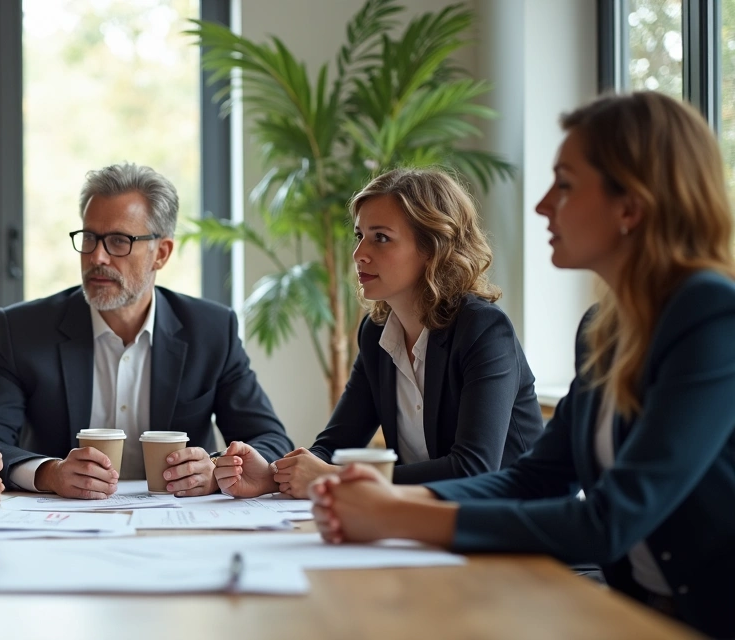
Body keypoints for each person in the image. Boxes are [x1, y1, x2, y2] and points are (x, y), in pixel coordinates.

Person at [310, 92, 735, 638]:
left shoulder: (712, 315)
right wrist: (384, 496)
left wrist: (394, 511)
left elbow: (611, 519)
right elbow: (539, 478)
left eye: (565, 183)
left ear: (630, 206)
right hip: (636, 609)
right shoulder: (603, 328)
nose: (541, 205)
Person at [0, 162, 292, 499]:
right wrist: (50, 473)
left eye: (119, 241)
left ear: (161, 253)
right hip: (63, 521)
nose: (97, 257)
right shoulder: (23, 329)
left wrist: (215, 469)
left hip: (179, 522)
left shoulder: (210, 331)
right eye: (90, 237)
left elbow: (270, 440)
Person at [213, 169, 543, 498]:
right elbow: (335, 446)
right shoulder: (376, 334)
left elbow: (473, 469)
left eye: (381, 238)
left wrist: (335, 478)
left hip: (513, 525)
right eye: (360, 236)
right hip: (424, 520)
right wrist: (273, 476)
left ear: (432, 248)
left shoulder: (483, 329)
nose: (359, 254)